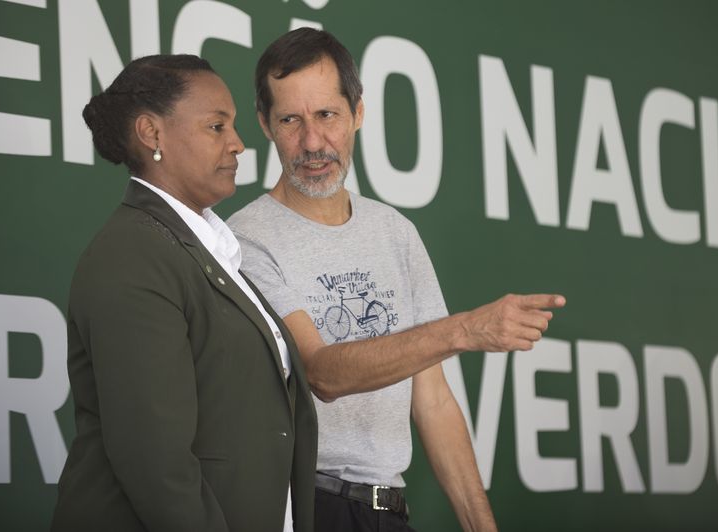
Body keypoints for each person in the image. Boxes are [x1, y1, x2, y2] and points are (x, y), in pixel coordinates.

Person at [227, 29, 566, 532]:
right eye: (290, 120)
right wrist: (463, 330)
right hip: (305, 508)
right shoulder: (244, 240)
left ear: (358, 113)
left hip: (388, 511)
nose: (312, 142)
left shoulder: (395, 233)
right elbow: (322, 374)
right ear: (265, 124)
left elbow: (433, 400)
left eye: (327, 115)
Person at [50, 54, 317, 532]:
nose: (238, 143)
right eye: (217, 126)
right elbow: (156, 464)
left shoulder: (201, 249)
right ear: (152, 134)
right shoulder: (134, 255)